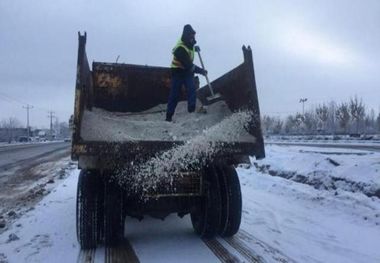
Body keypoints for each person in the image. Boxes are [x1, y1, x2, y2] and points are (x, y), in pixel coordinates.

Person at [166, 24, 207, 122]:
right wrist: (202, 71)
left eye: (193, 36)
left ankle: (191, 110)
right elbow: (189, 65)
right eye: (191, 36)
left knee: (191, 88)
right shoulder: (180, 49)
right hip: (178, 71)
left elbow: (190, 46)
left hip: (187, 71)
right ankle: (168, 117)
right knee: (175, 94)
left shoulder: (189, 42)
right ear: (186, 35)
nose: (193, 38)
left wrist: (194, 47)